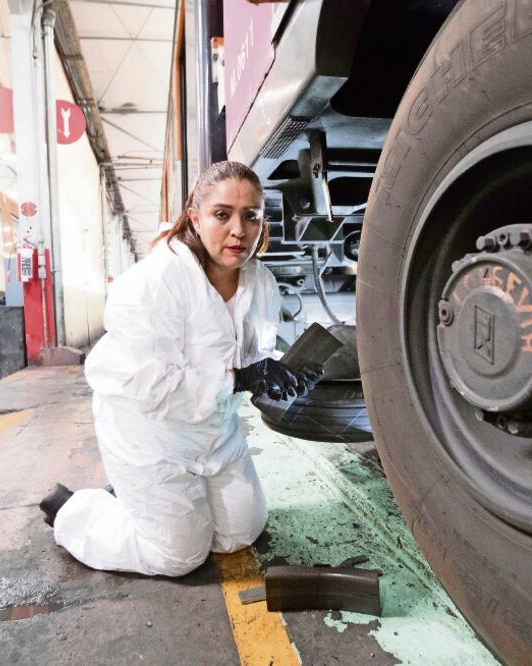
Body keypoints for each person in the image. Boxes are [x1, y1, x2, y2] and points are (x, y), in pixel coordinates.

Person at [40, 161, 322, 577]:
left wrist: (280, 373)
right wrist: (243, 378)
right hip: (148, 433)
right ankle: (75, 511)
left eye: (251, 216)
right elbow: (151, 389)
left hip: (213, 433)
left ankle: (148, 502)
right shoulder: (153, 282)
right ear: (195, 216)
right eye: (222, 215)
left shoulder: (260, 282)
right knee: (178, 556)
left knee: (240, 533)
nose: (239, 231)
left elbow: (247, 355)